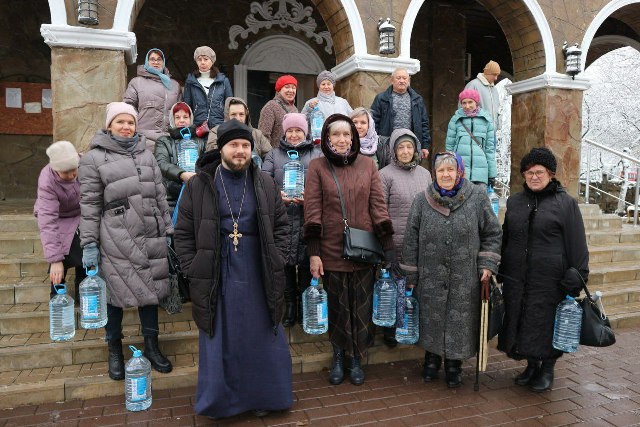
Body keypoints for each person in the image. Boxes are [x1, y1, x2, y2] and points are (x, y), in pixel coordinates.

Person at [174, 119, 292, 418]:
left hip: (258, 265)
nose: (240, 151)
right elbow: (183, 231)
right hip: (217, 268)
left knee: (261, 334)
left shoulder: (265, 182)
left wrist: (279, 257)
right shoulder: (199, 184)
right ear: (221, 148)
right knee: (222, 335)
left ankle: (265, 397)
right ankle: (222, 402)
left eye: (245, 146)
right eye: (234, 145)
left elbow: (281, 226)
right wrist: (192, 266)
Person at [79, 102, 174, 381]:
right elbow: (89, 204)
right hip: (115, 239)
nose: (126, 127)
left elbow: (159, 195)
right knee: (115, 297)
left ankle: (152, 347)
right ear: (109, 125)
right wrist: (89, 244)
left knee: (150, 294)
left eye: (130, 122)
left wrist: (168, 228)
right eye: (120, 122)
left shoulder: (146, 154)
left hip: (151, 234)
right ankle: (114, 350)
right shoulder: (94, 159)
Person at [304, 113, 395, 386]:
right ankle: (338, 356)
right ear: (327, 138)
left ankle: (357, 357)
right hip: (331, 249)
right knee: (338, 306)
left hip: (364, 249)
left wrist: (387, 245)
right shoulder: (317, 167)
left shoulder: (368, 165)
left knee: (362, 306)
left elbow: (378, 205)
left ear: (353, 137)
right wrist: (314, 252)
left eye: (347, 135)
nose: (342, 140)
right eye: (336, 135)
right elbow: (312, 211)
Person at [401, 151, 501, 388]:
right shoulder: (421, 199)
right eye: (441, 170)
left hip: (465, 275)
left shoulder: (477, 197)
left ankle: (455, 364)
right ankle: (432, 359)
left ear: (459, 171)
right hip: (430, 275)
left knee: (460, 320)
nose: (446, 174)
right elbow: (410, 239)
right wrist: (411, 275)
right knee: (432, 318)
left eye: (450, 170)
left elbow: (492, 233)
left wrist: (487, 264)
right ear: (434, 173)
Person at [498, 147, 589, 392]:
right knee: (523, 320)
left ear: (550, 174)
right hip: (517, 276)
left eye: (539, 172)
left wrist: (578, 273)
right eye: (528, 173)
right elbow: (506, 237)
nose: (534, 177)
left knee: (545, 322)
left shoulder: (565, 203)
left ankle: (547, 368)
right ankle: (531, 365)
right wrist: (500, 266)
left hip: (550, 279)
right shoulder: (515, 202)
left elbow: (577, 242)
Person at [261, 113, 323, 327]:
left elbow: (325, 184)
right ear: (284, 132)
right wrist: (277, 196)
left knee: (307, 263)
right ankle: (289, 305)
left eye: (298, 130)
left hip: (309, 218)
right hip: (283, 218)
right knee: (285, 263)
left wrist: (312, 198)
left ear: (305, 131)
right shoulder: (273, 155)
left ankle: (304, 306)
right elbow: (263, 182)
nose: (294, 134)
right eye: (290, 131)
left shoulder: (317, 154)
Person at [378, 129, 432, 347]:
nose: (406, 151)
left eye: (409, 146)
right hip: (396, 242)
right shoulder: (384, 175)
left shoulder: (425, 174)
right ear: (393, 150)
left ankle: (413, 326)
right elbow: (380, 210)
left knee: (416, 287)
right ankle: (392, 329)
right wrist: (385, 242)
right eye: (401, 147)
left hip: (421, 242)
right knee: (395, 287)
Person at [34, 140, 86, 300]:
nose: (72, 176)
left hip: (81, 213)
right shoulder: (47, 180)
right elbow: (48, 223)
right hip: (58, 216)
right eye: (66, 172)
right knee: (61, 247)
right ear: (56, 169)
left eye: (74, 170)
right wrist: (55, 260)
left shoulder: (86, 165)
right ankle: (57, 295)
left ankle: (83, 293)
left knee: (85, 245)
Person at [154, 102, 207, 215]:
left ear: (191, 119)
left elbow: (206, 165)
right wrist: (182, 174)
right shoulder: (164, 141)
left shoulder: (200, 142)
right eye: (177, 117)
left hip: (197, 195)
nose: (181, 120)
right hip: (171, 198)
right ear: (172, 120)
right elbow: (161, 163)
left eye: (185, 117)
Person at [123, 48, 181, 151]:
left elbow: (179, 111)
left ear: (163, 62)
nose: (156, 62)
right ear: (147, 62)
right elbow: (128, 108)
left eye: (159, 59)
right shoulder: (137, 82)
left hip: (169, 140)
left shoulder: (174, 85)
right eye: (152, 59)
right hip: (143, 138)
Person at [370, 68, 431, 159]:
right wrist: (375, 144)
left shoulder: (417, 99)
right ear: (392, 80)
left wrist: (425, 146)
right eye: (398, 78)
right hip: (387, 144)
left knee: (410, 170)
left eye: (404, 78)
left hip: (411, 144)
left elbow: (424, 123)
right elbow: (374, 123)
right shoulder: (381, 99)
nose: (402, 81)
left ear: (409, 80)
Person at [445, 89, 497, 187]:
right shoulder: (455, 119)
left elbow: (490, 150)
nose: (467, 106)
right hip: (461, 171)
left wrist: (492, 174)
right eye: (464, 103)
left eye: (470, 102)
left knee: (480, 201)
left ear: (476, 102)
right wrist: (449, 169)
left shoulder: (486, 120)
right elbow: (449, 148)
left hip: (481, 173)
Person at [206, 97, 272, 164]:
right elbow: (212, 154)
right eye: (233, 114)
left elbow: (270, 156)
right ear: (227, 116)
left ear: (246, 115)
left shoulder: (257, 134)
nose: (238, 118)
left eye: (241, 114)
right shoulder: (215, 132)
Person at [183, 46, 233, 131]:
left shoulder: (223, 81)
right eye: (199, 59)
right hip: (197, 128)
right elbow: (186, 107)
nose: (202, 62)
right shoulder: (191, 81)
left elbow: (230, 106)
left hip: (219, 128)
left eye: (206, 59)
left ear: (212, 61)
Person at [258, 75, 299, 148]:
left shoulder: (295, 109)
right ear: (279, 90)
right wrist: (270, 156)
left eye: (293, 88)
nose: (291, 90)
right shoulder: (270, 106)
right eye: (287, 87)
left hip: (293, 155)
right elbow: (263, 136)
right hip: (276, 156)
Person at [465, 60, 501, 129]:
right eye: (494, 75)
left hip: (492, 133)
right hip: (477, 132)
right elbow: (463, 109)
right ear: (488, 73)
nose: (496, 78)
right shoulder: (473, 85)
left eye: (497, 75)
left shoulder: (495, 90)